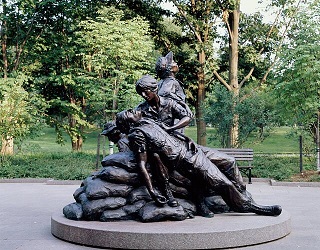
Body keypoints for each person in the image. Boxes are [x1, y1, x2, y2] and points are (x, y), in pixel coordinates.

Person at [115, 109, 282, 216]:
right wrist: (152, 191)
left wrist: (187, 138)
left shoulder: (147, 121)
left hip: (193, 148)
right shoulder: (137, 135)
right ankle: (252, 207)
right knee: (223, 184)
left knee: (229, 161)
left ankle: (239, 196)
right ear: (129, 122)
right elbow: (142, 165)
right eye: (129, 112)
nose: (133, 110)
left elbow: (170, 134)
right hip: (188, 160)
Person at [135, 75, 247, 196]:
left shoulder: (169, 103)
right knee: (205, 174)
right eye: (140, 93)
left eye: (145, 92)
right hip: (171, 152)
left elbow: (187, 117)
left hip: (183, 143)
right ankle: (234, 196)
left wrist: (172, 128)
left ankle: (242, 192)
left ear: (154, 89)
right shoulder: (141, 110)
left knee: (229, 161)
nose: (143, 96)